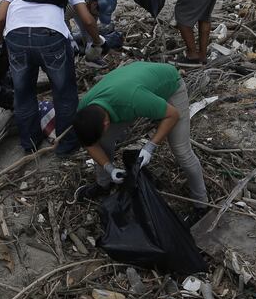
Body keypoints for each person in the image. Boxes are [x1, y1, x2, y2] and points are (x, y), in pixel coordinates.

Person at [0, 0, 105, 155]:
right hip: (51, 37)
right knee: (64, 94)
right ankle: (66, 147)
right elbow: (87, 20)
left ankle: (30, 145)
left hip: (16, 37)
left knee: (24, 93)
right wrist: (98, 41)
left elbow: (0, 17)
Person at [73, 61, 208, 224]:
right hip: (129, 87)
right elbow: (91, 144)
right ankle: (104, 185)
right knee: (102, 141)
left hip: (170, 85)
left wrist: (150, 147)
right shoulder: (85, 109)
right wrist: (109, 169)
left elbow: (172, 115)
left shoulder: (133, 100)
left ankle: (202, 204)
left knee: (182, 151)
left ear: (106, 124)